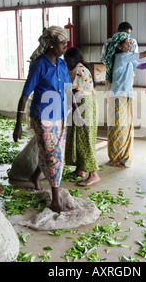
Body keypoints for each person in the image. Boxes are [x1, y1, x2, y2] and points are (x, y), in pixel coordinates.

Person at [13, 26, 76, 213]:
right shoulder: (39, 65)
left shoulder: (63, 65)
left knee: (53, 153)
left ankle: (34, 176)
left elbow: (67, 89)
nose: (66, 46)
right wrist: (18, 124)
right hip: (44, 117)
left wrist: (76, 112)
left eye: (66, 43)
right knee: (54, 156)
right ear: (50, 44)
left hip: (61, 116)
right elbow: (25, 95)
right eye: (62, 43)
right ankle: (56, 200)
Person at [105, 32, 146, 167]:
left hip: (125, 96)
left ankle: (121, 156)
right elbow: (145, 54)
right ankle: (116, 157)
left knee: (125, 127)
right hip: (119, 96)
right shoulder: (122, 57)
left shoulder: (126, 58)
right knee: (119, 127)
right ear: (119, 46)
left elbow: (141, 66)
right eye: (126, 43)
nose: (129, 45)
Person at [64, 47, 100, 186]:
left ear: (76, 59)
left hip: (84, 105)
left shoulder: (80, 70)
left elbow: (75, 94)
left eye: (69, 60)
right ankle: (80, 169)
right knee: (76, 136)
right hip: (79, 104)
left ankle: (93, 174)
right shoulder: (75, 68)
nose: (67, 62)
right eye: (65, 60)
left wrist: (71, 110)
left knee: (84, 138)